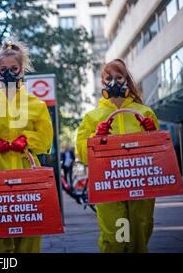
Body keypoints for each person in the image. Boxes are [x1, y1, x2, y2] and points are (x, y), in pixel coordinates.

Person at [0, 40, 53, 253]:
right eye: (3, 69)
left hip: (28, 175)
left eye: (13, 69)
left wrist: (27, 140)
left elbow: (45, 139)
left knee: (30, 236)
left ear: (22, 69)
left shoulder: (36, 104)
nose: (8, 73)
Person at [76, 58, 159, 253]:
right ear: (102, 83)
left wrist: (152, 134)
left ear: (126, 80)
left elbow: (161, 154)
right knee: (114, 236)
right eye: (108, 78)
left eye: (118, 77)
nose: (114, 82)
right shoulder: (92, 117)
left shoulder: (145, 112)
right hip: (108, 186)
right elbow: (82, 153)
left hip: (141, 185)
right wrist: (96, 137)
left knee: (139, 233)